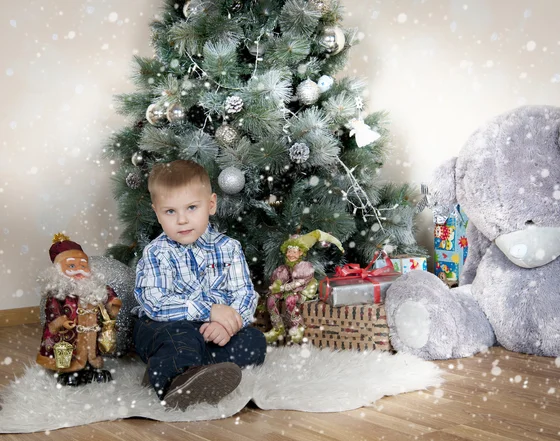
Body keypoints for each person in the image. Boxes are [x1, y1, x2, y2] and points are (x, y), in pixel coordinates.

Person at [132, 159, 266, 411]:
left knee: (254, 341)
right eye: (170, 211)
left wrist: (226, 325)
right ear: (157, 212)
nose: (182, 220)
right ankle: (173, 381)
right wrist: (209, 311)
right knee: (180, 335)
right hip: (164, 326)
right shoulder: (156, 253)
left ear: (211, 204)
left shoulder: (229, 248)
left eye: (191, 207)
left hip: (211, 330)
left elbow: (244, 295)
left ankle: (186, 370)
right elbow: (155, 304)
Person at [37, 233, 122, 386]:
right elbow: (52, 308)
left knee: (92, 347)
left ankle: (91, 366)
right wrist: (61, 320)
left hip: (92, 329)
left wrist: (113, 303)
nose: (79, 270)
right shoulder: (59, 291)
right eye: (71, 266)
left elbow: (107, 293)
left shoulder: (93, 286)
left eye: (83, 265)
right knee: (68, 349)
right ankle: (71, 370)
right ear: (58, 270)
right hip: (68, 331)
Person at [264, 230, 343, 344]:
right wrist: (277, 284)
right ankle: (278, 327)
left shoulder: (304, 267)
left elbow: (299, 283)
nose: (291, 254)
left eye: (294, 252)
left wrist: (282, 288)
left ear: (301, 253)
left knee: (290, 300)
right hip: (288, 287)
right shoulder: (284, 268)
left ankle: (298, 326)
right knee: (271, 299)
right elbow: (280, 280)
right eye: (289, 251)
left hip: (302, 289)